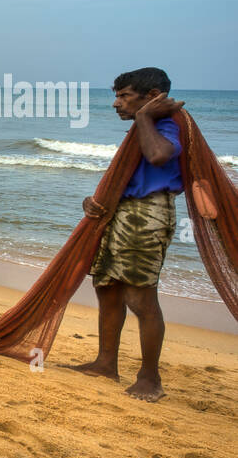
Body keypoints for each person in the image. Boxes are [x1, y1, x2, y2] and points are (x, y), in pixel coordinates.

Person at [70, 67, 183, 403]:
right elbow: (129, 176)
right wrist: (96, 201)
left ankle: (151, 378)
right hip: (122, 212)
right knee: (106, 287)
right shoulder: (141, 127)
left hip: (148, 215)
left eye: (124, 96)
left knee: (141, 298)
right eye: (116, 96)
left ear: (152, 98)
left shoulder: (167, 125)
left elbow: (160, 156)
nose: (116, 104)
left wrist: (146, 118)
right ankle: (106, 363)